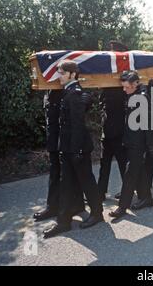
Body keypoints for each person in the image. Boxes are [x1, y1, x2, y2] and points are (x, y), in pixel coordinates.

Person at [43, 60, 104, 239]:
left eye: (61, 73)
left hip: (76, 148)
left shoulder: (75, 93)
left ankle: (97, 213)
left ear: (72, 74)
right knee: (66, 183)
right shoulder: (69, 92)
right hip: (68, 147)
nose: (59, 76)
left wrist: (76, 151)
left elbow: (78, 126)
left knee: (86, 181)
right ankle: (64, 222)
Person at [109, 72, 153, 219]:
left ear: (136, 84)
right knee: (140, 170)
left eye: (127, 87)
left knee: (130, 174)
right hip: (131, 140)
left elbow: (150, 123)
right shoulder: (133, 95)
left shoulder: (142, 98)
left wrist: (150, 145)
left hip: (139, 143)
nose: (124, 90)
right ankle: (146, 198)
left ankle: (122, 207)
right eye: (123, 87)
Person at [33, 90, 85, 222]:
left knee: (67, 172)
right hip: (53, 135)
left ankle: (72, 205)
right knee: (56, 171)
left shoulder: (64, 91)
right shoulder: (48, 89)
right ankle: (55, 206)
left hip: (62, 136)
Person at [97, 88, 127, 202]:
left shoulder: (122, 90)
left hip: (119, 135)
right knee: (104, 165)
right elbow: (102, 106)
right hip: (107, 134)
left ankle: (126, 191)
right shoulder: (105, 89)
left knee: (123, 165)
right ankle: (100, 192)